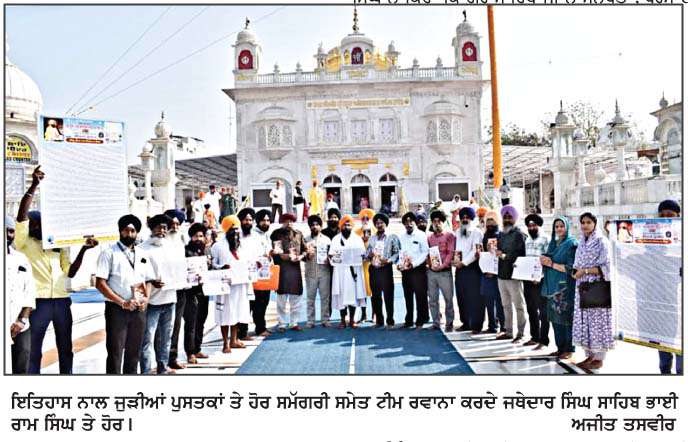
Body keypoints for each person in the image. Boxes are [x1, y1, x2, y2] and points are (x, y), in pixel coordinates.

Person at [15, 165, 94, 374]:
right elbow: (22, 216)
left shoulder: (58, 245)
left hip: (61, 301)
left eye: (38, 224)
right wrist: (34, 185)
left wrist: (83, 250)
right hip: (37, 302)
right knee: (34, 350)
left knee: (65, 348)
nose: (35, 227)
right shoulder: (23, 243)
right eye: (32, 225)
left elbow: (70, 272)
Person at [95, 214, 152, 374]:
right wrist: (122, 302)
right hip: (117, 309)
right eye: (126, 230)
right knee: (115, 351)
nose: (129, 234)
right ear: (120, 231)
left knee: (134, 351)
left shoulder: (142, 254)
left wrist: (146, 298)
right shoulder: (109, 253)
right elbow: (100, 283)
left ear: (137, 233)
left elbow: (148, 280)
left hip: (138, 309)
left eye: (133, 231)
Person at [572, 212, 614, 370]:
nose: (585, 225)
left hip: (597, 287)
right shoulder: (581, 241)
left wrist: (585, 271)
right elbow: (577, 263)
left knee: (598, 322)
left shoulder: (602, 242)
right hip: (582, 286)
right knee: (585, 321)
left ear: (595, 224)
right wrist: (576, 272)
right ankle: (589, 355)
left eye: (588, 222)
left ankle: (599, 358)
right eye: (583, 222)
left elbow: (607, 267)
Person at [139, 214, 178, 374]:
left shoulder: (171, 246)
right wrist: (151, 281)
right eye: (158, 227)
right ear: (151, 228)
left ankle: (163, 367)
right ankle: (146, 370)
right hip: (152, 301)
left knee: (166, 337)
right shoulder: (142, 249)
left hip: (170, 298)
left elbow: (178, 269)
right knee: (147, 338)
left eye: (164, 227)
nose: (162, 230)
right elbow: (140, 272)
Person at [213, 215, 253, 352]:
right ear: (226, 230)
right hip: (225, 285)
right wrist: (221, 267)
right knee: (225, 314)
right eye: (232, 229)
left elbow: (248, 261)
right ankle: (225, 343)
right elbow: (213, 264)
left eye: (237, 229)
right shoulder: (218, 246)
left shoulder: (242, 245)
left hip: (240, 284)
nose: (235, 232)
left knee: (237, 311)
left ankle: (234, 340)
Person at [540, 216, 578, 360]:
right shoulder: (553, 244)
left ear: (567, 227)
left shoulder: (571, 244)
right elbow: (548, 260)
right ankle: (560, 348)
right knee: (555, 319)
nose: (559, 229)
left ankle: (569, 349)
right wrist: (543, 260)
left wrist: (551, 264)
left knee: (566, 319)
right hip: (552, 287)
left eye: (562, 226)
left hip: (564, 288)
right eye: (556, 227)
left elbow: (570, 268)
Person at [6, 216, 36, 374]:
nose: (7, 235)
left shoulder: (21, 259)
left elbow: (29, 291)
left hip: (20, 326)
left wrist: (22, 320)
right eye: (4, 231)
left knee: (21, 369)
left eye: (11, 231)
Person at [656, 199, 683, 374]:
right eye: (662, 215)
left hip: (680, 300)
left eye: (670, 215)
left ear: (678, 216)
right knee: (662, 341)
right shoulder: (652, 239)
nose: (666, 218)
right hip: (660, 300)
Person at [495, 205, 527, 343]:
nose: (507, 219)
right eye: (505, 217)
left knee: (519, 305)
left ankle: (521, 333)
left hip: (514, 275)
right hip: (501, 274)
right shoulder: (500, 234)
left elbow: (519, 254)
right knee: (506, 305)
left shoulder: (519, 234)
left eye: (510, 217)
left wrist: (503, 256)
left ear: (515, 218)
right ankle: (508, 331)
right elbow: (498, 251)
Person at [164, 209, 192, 370]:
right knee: (164, 327)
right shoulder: (160, 242)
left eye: (177, 224)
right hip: (164, 290)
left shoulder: (181, 240)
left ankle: (172, 358)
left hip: (180, 288)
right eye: (172, 224)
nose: (174, 227)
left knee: (176, 325)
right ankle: (162, 360)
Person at [270, 213, 307, 332]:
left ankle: (294, 323)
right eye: (286, 221)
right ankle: (281, 324)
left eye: (291, 221)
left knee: (296, 298)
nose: (289, 223)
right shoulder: (276, 234)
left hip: (295, 270)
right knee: (281, 299)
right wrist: (282, 256)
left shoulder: (299, 234)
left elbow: (305, 250)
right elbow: (274, 251)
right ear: (282, 222)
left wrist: (301, 256)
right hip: (282, 269)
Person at [330, 215, 367, 328]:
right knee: (341, 296)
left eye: (349, 225)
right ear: (340, 226)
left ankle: (351, 320)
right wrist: (335, 258)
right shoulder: (336, 239)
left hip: (353, 271)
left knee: (353, 295)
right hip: (340, 271)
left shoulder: (357, 239)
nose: (346, 227)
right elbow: (331, 255)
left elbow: (363, 255)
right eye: (344, 225)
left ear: (352, 226)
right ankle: (342, 320)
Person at [182, 223, 211, 364]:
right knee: (191, 322)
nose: (198, 239)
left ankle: (198, 348)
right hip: (189, 292)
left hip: (204, 291)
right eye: (195, 236)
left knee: (201, 320)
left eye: (201, 236)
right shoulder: (185, 251)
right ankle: (190, 352)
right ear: (191, 237)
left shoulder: (206, 251)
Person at [366, 213, 400, 329]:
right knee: (375, 296)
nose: (379, 225)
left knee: (388, 296)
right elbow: (367, 252)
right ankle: (379, 321)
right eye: (377, 223)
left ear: (386, 224)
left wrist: (388, 260)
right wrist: (369, 255)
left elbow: (397, 253)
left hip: (385, 269)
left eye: (381, 223)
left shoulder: (392, 237)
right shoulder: (372, 238)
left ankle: (390, 321)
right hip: (374, 269)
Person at [454, 207, 484, 333]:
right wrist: (456, 261)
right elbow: (456, 249)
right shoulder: (457, 232)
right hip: (460, 269)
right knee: (461, 296)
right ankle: (465, 322)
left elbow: (475, 251)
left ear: (471, 219)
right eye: (463, 218)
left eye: (467, 217)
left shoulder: (477, 232)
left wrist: (464, 262)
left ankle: (476, 325)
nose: (465, 219)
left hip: (472, 268)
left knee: (474, 297)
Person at [398, 212, 430, 329]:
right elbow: (399, 253)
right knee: (408, 295)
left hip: (418, 269)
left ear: (415, 223)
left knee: (420, 295)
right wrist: (399, 264)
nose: (409, 224)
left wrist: (414, 264)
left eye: (411, 221)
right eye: (406, 222)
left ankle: (421, 319)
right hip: (406, 270)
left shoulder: (421, 235)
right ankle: (409, 319)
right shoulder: (401, 236)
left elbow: (425, 252)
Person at [523, 213, 550, 348]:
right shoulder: (527, 240)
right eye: (529, 226)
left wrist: (539, 276)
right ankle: (534, 337)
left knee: (543, 311)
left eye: (534, 225)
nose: (531, 228)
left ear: (539, 226)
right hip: (528, 280)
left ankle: (543, 340)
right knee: (531, 309)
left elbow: (548, 259)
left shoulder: (546, 239)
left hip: (541, 280)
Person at [427, 210, 456, 331]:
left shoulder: (450, 235)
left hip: (445, 272)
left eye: (439, 221)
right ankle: (436, 322)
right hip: (432, 272)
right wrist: (430, 264)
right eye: (434, 221)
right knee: (433, 299)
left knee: (448, 299)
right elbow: (428, 254)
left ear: (443, 222)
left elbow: (450, 253)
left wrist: (443, 265)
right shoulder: (429, 237)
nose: (437, 223)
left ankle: (449, 323)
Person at [304, 214, 332, 328]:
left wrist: (329, 260)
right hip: (310, 272)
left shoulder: (327, 240)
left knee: (325, 297)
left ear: (321, 226)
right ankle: (310, 320)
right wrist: (307, 255)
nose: (315, 227)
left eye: (317, 224)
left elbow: (331, 255)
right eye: (312, 225)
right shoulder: (305, 240)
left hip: (324, 272)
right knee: (310, 298)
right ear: (310, 226)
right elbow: (301, 256)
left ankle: (325, 319)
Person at [480, 211, 506, 334]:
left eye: (492, 220)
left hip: (498, 273)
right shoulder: (484, 235)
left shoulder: (501, 235)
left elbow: (501, 254)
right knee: (488, 301)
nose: (490, 223)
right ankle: (492, 325)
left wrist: (494, 271)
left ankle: (503, 326)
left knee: (500, 301)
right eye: (488, 220)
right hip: (486, 273)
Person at [236, 208, 259, 341]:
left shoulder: (254, 237)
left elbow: (257, 254)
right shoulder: (235, 236)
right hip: (238, 275)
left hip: (251, 275)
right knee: (239, 304)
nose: (248, 222)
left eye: (250, 220)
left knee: (248, 304)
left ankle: (243, 332)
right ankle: (237, 334)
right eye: (246, 220)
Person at [252, 209, 274, 337]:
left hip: (266, 272)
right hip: (256, 273)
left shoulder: (266, 235)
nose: (266, 223)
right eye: (263, 220)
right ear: (258, 221)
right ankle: (259, 328)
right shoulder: (253, 234)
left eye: (268, 220)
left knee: (264, 301)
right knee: (257, 302)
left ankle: (261, 326)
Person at [355, 208, 376, 323]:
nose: (365, 220)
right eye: (363, 218)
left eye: (368, 218)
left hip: (373, 265)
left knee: (374, 290)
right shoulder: (356, 233)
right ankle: (363, 314)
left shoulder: (375, 231)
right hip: (361, 266)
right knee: (362, 290)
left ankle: (374, 314)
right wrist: (361, 241)